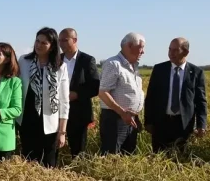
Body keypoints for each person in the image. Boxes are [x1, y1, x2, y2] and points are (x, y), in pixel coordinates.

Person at [17, 27, 70, 167]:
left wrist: (62, 131)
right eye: (37, 41)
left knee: (48, 163)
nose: (39, 45)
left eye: (44, 43)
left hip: (50, 125)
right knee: (28, 162)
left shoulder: (60, 67)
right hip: (27, 120)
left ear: (52, 46)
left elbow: (64, 101)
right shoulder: (24, 61)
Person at [144, 37, 207, 153]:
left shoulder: (196, 72)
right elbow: (150, 97)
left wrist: (201, 124)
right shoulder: (159, 69)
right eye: (169, 49)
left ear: (186, 52)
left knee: (180, 159)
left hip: (184, 125)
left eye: (175, 50)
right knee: (159, 158)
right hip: (161, 124)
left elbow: (200, 101)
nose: (170, 53)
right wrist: (148, 121)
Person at [98, 32, 146, 155]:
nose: (143, 52)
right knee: (112, 156)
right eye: (141, 47)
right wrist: (122, 112)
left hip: (129, 119)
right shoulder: (114, 64)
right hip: (115, 119)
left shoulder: (133, 66)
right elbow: (103, 92)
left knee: (128, 156)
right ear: (129, 46)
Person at [58, 28, 100, 157]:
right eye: (59, 41)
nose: (61, 44)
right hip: (57, 111)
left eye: (65, 40)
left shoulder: (87, 60)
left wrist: (76, 94)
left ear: (75, 40)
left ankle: (77, 172)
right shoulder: (56, 60)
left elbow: (95, 86)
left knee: (78, 151)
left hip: (79, 113)